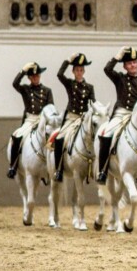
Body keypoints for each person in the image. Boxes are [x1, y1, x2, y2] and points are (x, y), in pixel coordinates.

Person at [95, 47, 137, 184]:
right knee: (106, 134)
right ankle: (103, 170)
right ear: (125, 66)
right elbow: (107, 70)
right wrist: (117, 57)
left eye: (135, 62)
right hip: (122, 114)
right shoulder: (120, 78)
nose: (133, 65)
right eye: (129, 63)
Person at [52, 54, 96, 182]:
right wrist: (68, 61)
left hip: (83, 119)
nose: (79, 72)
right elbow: (59, 75)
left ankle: (97, 167)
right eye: (77, 70)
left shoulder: (89, 87)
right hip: (71, 118)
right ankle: (59, 169)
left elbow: (93, 102)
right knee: (60, 138)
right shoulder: (70, 84)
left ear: (84, 71)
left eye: (81, 70)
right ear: (73, 71)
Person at [7, 62, 55, 178]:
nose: (35, 78)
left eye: (37, 76)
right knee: (17, 137)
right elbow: (15, 83)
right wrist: (23, 71)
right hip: (30, 121)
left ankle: (56, 167)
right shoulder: (25, 89)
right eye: (33, 76)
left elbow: (50, 107)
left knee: (54, 138)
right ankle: (13, 166)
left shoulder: (47, 91)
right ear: (29, 78)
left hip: (42, 120)